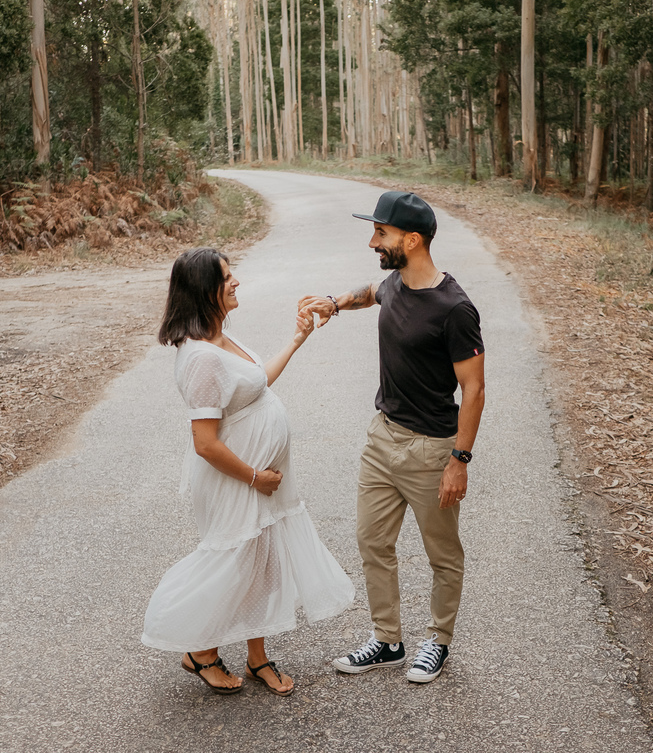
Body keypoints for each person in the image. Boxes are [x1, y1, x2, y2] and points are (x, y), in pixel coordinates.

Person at [142, 247, 354, 696]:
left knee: (264, 565)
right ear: (204, 291)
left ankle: (258, 659)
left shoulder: (222, 338)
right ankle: (199, 652)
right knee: (233, 565)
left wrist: (297, 340)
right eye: (225, 277)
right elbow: (205, 443)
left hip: (262, 479)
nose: (236, 281)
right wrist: (256, 477)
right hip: (240, 481)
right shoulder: (200, 357)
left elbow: (256, 385)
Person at [299, 191, 485, 684]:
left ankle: (438, 641)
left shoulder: (454, 309)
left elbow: (474, 388)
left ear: (412, 239)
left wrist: (458, 460)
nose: (372, 241)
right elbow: (371, 293)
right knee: (372, 541)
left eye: (380, 233)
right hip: (383, 438)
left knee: (442, 554)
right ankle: (388, 640)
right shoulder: (395, 281)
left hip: (431, 449)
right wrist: (334, 303)